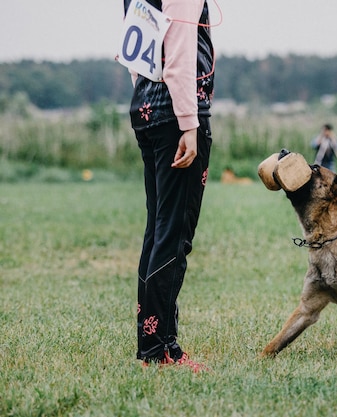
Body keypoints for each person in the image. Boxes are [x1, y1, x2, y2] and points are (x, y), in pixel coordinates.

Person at [123, 0, 214, 371]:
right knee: (174, 236)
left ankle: (151, 345)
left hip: (146, 105)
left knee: (157, 233)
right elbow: (179, 49)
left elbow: (137, 57)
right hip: (177, 113)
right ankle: (161, 349)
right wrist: (189, 123)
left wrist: (153, 100)